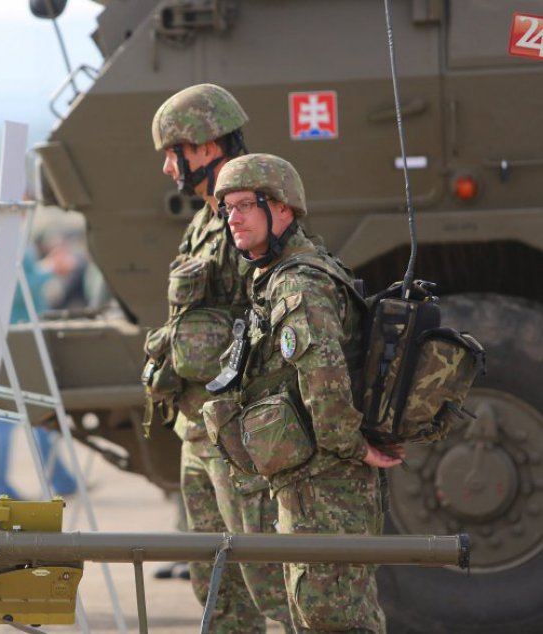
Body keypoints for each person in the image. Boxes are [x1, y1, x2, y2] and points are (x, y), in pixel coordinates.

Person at [211, 153, 405, 633]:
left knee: (333, 617)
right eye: (226, 208)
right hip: (308, 483)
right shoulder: (281, 275)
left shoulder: (300, 282)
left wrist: (351, 446)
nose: (232, 218)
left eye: (244, 205)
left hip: (326, 486)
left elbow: (324, 377)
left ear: (282, 209)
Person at [149, 84, 292, 632]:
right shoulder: (206, 222)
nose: (167, 168)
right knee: (217, 587)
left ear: (207, 146)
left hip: (239, 436)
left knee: (271, 586)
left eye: (173, 152)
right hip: (199, 430)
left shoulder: (255, 218)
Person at [0, 237, 79, 499]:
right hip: (15, 337)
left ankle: (61, 480)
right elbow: (10, 288)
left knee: (38, 412)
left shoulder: (4, 234)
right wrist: (50, 269)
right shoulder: (4, 238)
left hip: (16, 336)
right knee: (6, 416)